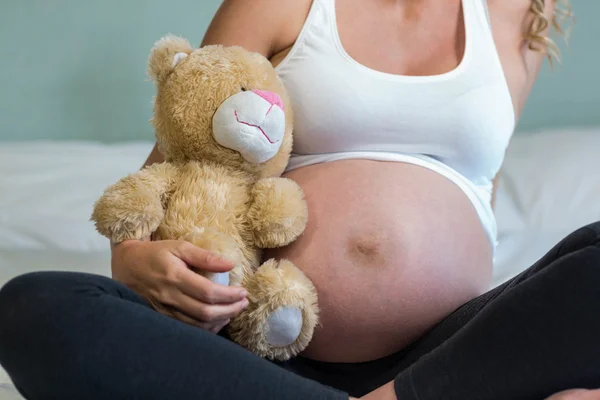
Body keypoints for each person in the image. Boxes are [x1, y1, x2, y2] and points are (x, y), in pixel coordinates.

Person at [1, 0, 598, 399]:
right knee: (34, 305)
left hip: (447, 359)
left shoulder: (521, 17)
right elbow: (172, 168)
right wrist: (129, 258)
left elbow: (478, 192)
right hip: (253, 352)